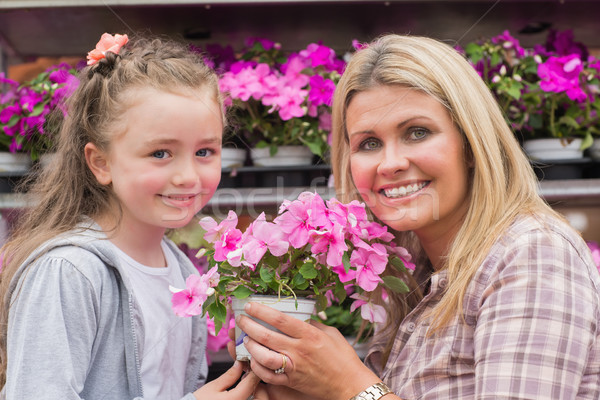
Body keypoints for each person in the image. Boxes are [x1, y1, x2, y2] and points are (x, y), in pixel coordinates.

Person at [233, 34, 600, 399]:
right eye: (369, 143)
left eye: (417, 133)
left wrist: (349, 385)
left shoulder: (532, 254)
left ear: (471, 144)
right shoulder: (415, 273)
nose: (390, 163)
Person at [0, 33, 264, 400]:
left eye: (205, 151)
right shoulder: (69, 273)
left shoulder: (180, 269)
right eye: (160, 153)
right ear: (101, 163)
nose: (188, 176)